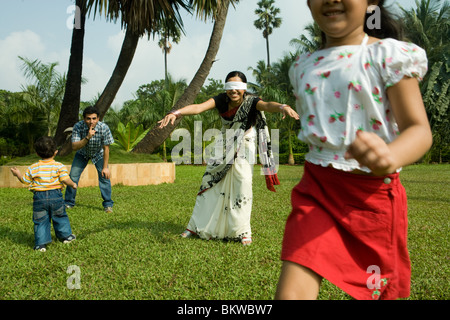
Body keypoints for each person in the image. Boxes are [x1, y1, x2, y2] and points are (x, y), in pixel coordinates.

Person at [275, 0, 432, 300]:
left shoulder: (388, 56)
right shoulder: (303, 65)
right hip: (316, 192)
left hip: (372, 201)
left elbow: (419, 130)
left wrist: (391, 155)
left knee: (379, 293)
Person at [158, 71, 299, 246]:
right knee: (210, 183)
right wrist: (176, 113)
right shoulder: (220, 100)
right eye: (230, 87)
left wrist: (282, 106)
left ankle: (242, 231)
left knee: (243, 183)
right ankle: (195, 226)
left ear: (244, 89)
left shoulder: (252, 102)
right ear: (226, 89)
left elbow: (268, 105)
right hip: (224, 143)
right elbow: (198, 107)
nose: (233, 91)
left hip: (245, 143)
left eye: (237, 87)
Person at [10, 136, 77, 252]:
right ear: (55, 152)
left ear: (37, 153)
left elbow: (25, 181)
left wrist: (18, 174)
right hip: (56, 197)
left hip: (39, 198)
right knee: (60, 217)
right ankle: (66, 236)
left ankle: (40, 245)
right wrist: (73, 184)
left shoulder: (33, 167)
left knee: (40, 221)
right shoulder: (59, 166)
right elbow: (65, 179)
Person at [64, 106, 115, 213]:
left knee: (104, 177)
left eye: (94, 118)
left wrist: (105, 168)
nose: (91, 121)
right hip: (82, 153)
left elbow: (106, 148)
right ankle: (68, 203)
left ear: (98, 118)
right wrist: (87, 137)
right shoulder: (78, 126)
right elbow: (74, 147)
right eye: (88, 118)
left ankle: (108, 205)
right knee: (73, 176)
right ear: (84, 119)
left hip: (98, 154)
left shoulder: (104, 127)